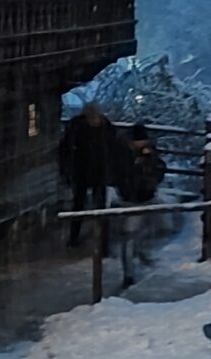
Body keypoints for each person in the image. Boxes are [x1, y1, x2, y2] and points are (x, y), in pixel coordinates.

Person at [59, 104, 124, 247]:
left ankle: (101, 241)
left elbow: (114, 148)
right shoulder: (78, 128)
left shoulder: (106, 128)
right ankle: (76, 238)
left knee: (99, 206)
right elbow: (66, 149)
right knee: (79, 206)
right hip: (82, 170)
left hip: (99, 171)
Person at [113, 126, 167, 287]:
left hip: (146, 196)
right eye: (140, 141)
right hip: (130, 198)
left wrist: (152, 174)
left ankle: (139, 253)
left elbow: (160, 168)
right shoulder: (123, 153)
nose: (142, 143)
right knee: (129, 235)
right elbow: (119, 173)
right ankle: (128, 273)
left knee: (144, 228)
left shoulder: (149, 151)